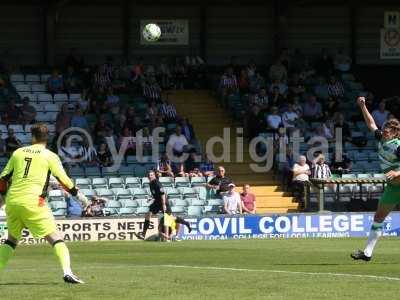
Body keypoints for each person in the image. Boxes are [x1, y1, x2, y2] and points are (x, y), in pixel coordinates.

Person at [0, 123, 88, 283]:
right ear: (47, 138)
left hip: (13, 201)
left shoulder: (18, 152)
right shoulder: (50, 156)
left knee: (11, 240)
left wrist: (4, 198)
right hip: (34, 201)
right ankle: (67, 272)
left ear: (32, 137)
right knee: (55, 238)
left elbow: (3, 178)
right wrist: (79, 195)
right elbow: (64, 180)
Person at [351, 97, 400, 261]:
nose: (385, 130)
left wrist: (397, 173)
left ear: (395, 133)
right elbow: (371, 124)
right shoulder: (381, 138)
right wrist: (363, 106)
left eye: (389, 129)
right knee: (378, 218)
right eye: (385, 127)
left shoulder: (398, 146)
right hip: (393, 188)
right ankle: (367, 253)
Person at [137, 170, 170, 240]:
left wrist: (164, 204)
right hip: (157, 202)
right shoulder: (151, 183)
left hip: (163, 202)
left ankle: (167, 237)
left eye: (151, 175)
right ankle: (143, 235)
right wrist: (151, 198)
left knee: (167, 218)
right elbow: (156, 194)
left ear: (154, 175)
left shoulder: (157, 183)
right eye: (149, 175)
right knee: (148, 214)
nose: (150, 176)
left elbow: (163, 194)